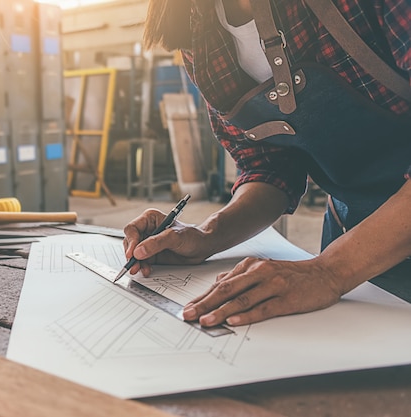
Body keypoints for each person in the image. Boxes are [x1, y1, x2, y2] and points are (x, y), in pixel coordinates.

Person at [122, 0, 411, 328]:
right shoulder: (196, 25)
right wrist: (208, 235)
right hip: (353, 234)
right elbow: (268, 165)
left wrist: (330, 271)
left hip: (350, 258)